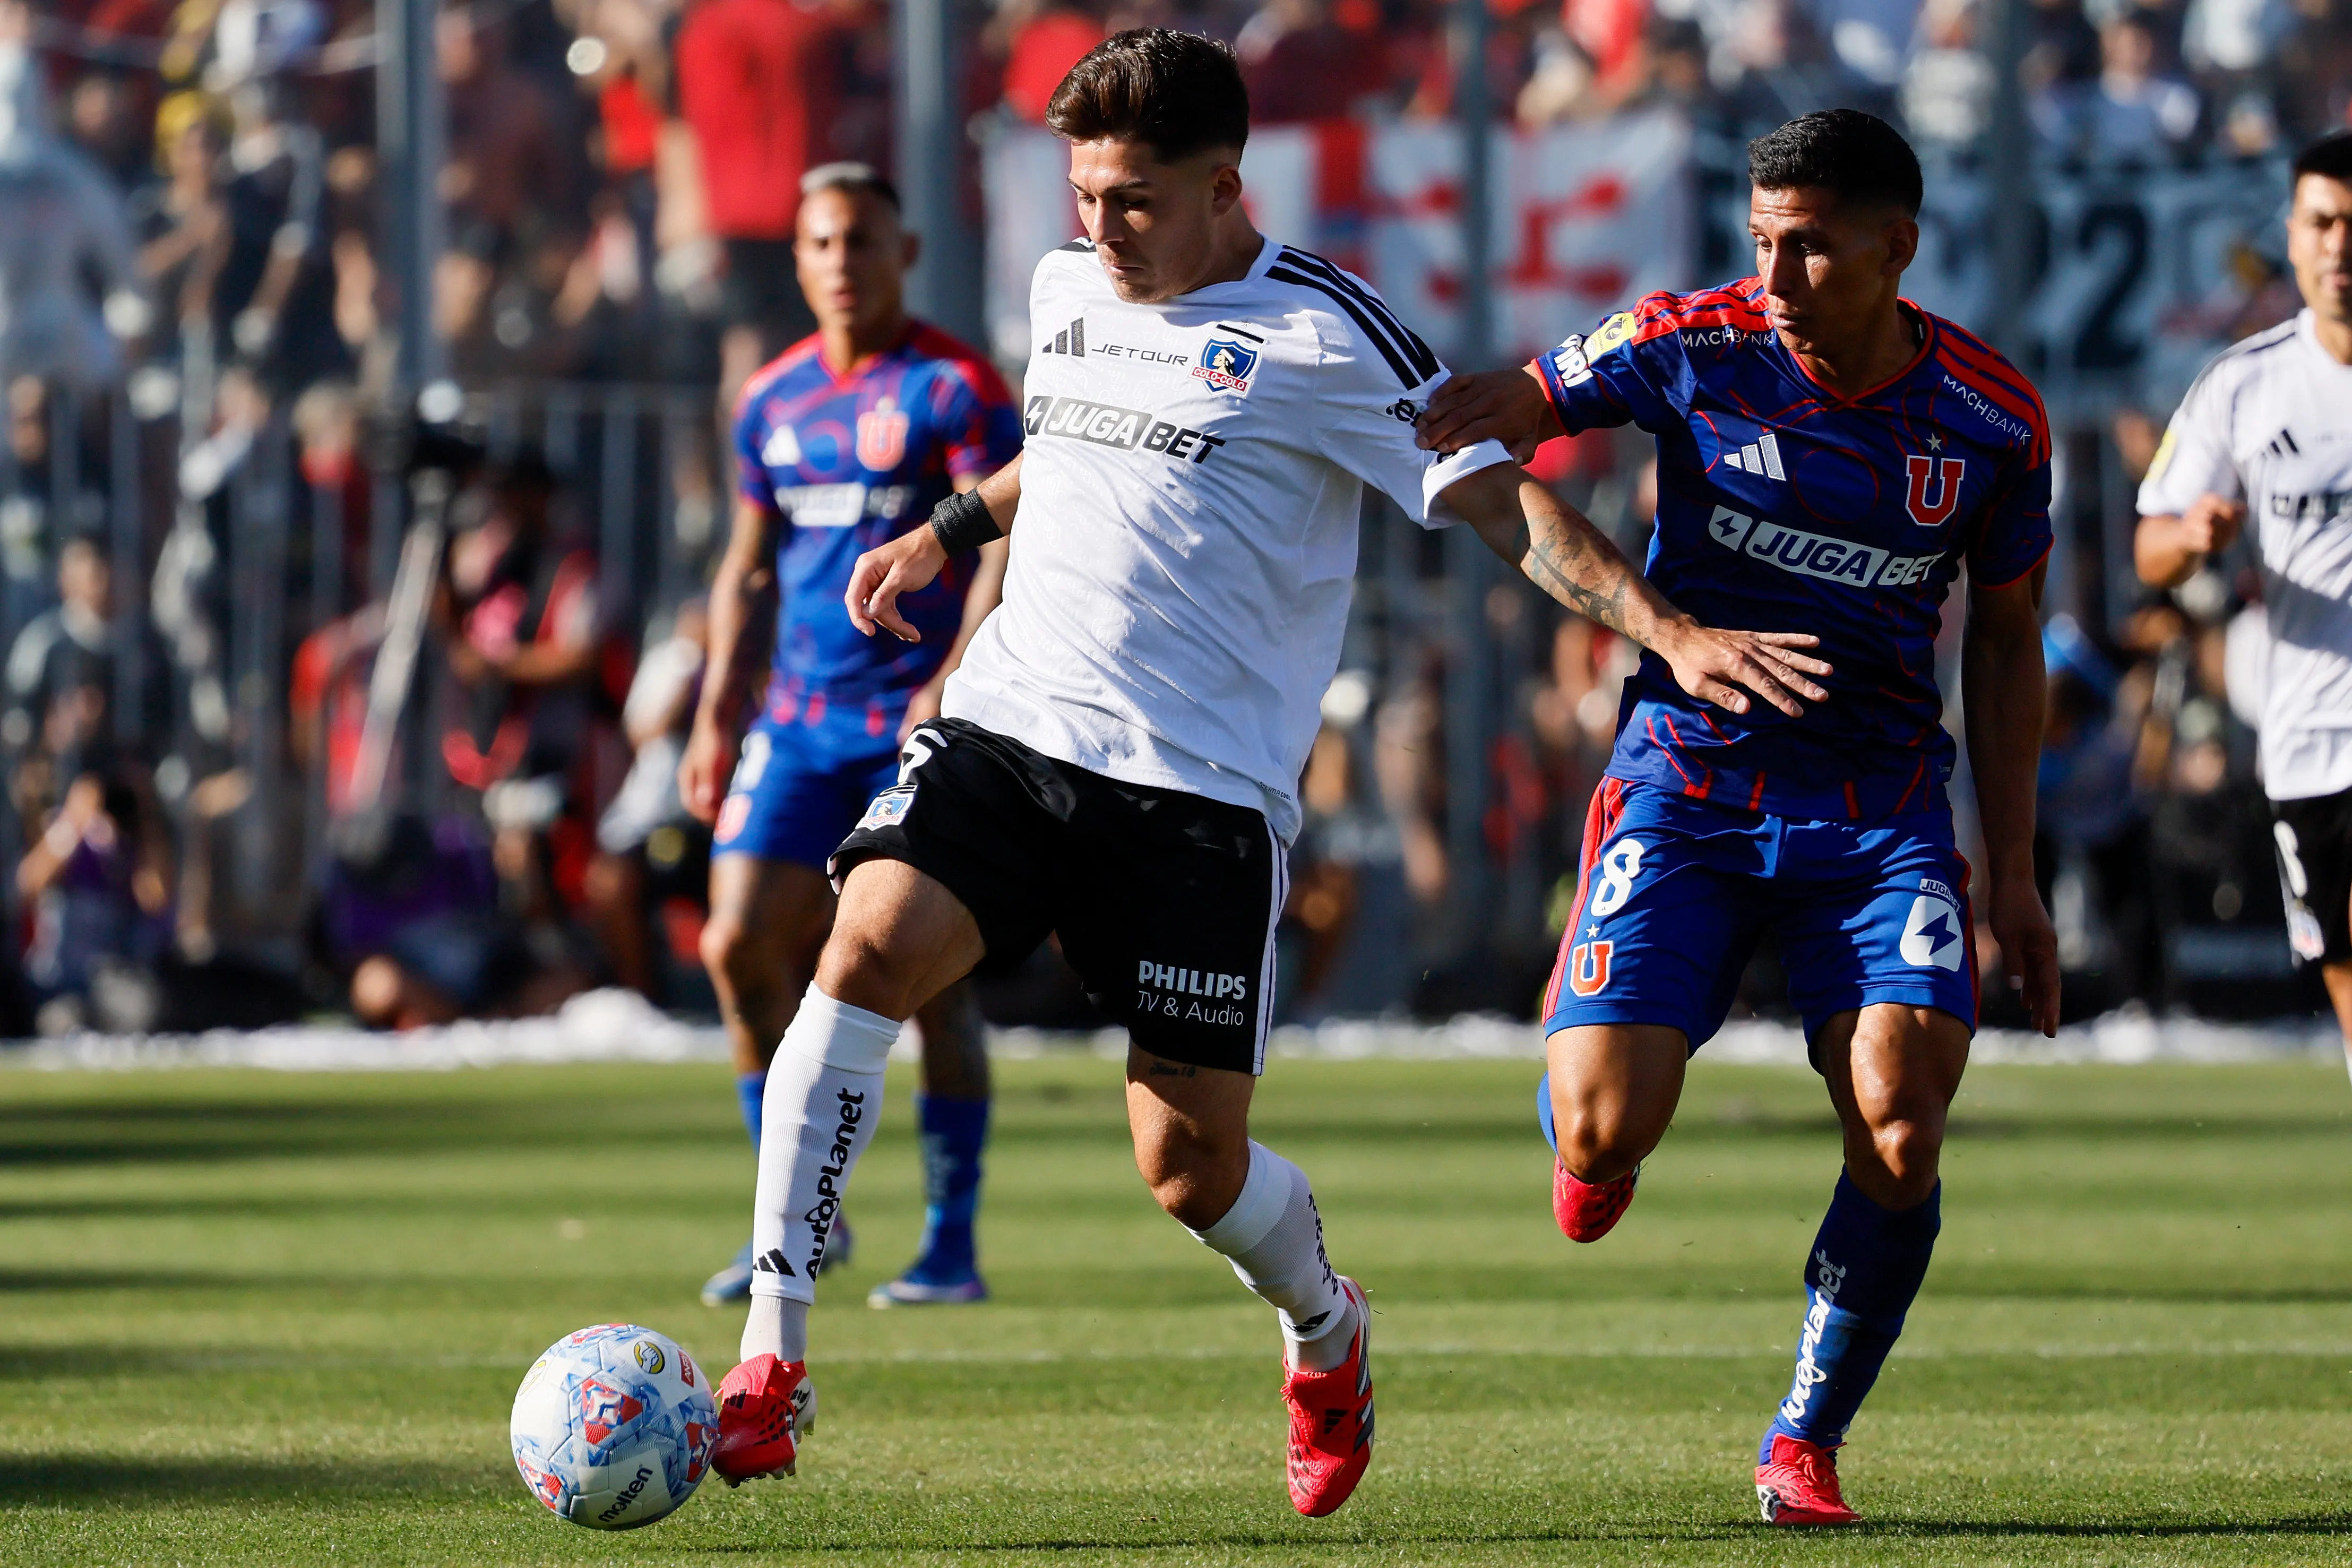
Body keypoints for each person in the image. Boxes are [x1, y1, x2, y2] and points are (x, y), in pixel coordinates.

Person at [708, 30, 1836, 1518]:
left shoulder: (1327, 336)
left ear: (1222, 186)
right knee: (857, 954)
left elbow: (1504, 513)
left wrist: (1671, 630)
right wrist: (944, 529)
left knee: (1186, 1166)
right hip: (1011, 728)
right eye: (1080, 196)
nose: (1094, 231)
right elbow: (1063, 434)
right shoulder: (1068, 290)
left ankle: (1323, 1323)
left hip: (1198, 799)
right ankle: (768, 1362)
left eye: (1129, 203)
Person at [1414, 108, 2061, 1527]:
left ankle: (1803, 1437)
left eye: (1809, 246)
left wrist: (2010, 871)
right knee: (1594, 1135)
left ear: (1896, 246)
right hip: (1686, 786)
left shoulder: (1990, 418)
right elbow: (1502, 426)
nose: (1772, 276)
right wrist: (1662, 624)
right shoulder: (1685, 340)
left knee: (1898, 1129)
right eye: (1760, 241)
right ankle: (1594, 1087)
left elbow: (2006, 643)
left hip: (1877, 808)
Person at [678, 162, 1023, 1312]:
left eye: (862, 241)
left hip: (910, 721)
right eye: (822, 243)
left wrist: (954, 675)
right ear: (796, 257)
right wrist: (713, 711)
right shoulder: (771, 400)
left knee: (927, 981)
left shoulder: (954, 387)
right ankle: (796, 1225)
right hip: (796, 717)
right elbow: (744, 569)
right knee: (735, 947)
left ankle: (952, 1242)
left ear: (903, 250)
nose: (842, 262)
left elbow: (1002, 541)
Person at [2134, 131, 2352, 1079]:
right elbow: (2150, 544)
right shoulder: (2244, 384)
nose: (2340, 244)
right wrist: (2194, 538)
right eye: (2322, 222)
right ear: (2294, 237)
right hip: (2310, 739)